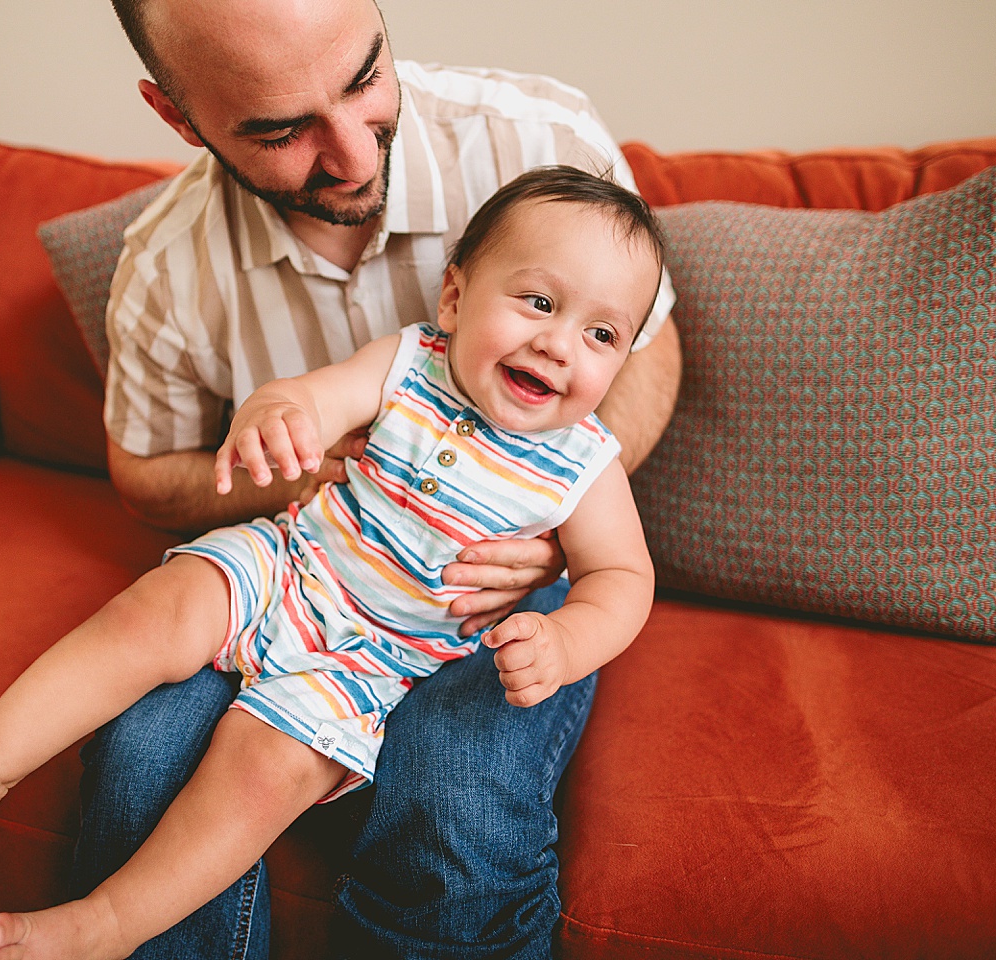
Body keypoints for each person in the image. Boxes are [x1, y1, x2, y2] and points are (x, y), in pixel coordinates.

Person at [0, 164, 664, 960]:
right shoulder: (411, 362)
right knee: (152, 613)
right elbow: (315, 395)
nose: (559, 345)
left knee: (265, 769)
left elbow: (622, 580)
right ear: (454, 298)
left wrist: (568, 644)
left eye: (600, 335)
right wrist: (279, 413)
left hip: (377, 658)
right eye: (538, 302)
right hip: (292, 562)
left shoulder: (581, 465)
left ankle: (111, 923)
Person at [81, 2, 682, 957]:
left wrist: (545, 532)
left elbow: (646, 356)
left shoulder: (539, 138)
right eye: (281, 129)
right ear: (181, 117)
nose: (356, 156)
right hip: (306, 554)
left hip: (487, 583)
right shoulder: (164, 265)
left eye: (365, 79)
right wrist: (282, 474)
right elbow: (143, 474)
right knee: (136, 759)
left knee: (450, 788)